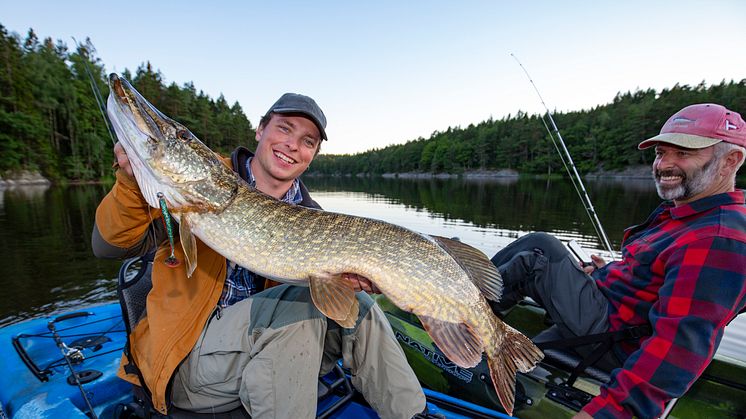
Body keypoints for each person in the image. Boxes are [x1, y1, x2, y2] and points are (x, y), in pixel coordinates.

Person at [93, 93, 429, 418]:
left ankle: (414, 416)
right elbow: (109, 245)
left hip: (270, 359)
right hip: (189, 365)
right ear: (260, 129)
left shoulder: (311, 218)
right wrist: (130, 180)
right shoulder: (195, 188)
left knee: (363, 310)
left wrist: (348, 285)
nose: (293, 145)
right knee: (295, 311)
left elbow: (334, 304)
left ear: (312, 156)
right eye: (284, 128)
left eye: (308, 141)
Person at [489, 103, 746, 419]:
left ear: (730, 161)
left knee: (538, 253)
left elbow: (677, 350)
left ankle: (462, 319)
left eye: (683, 154)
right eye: (660, 153)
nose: (664, 164)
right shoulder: (690, 215)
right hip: (609, 316)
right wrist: (603, 273)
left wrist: (609, 413)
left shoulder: (719, 238)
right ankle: (470, 312)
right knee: (538, 246)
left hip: (611, 340)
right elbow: (653, 278)